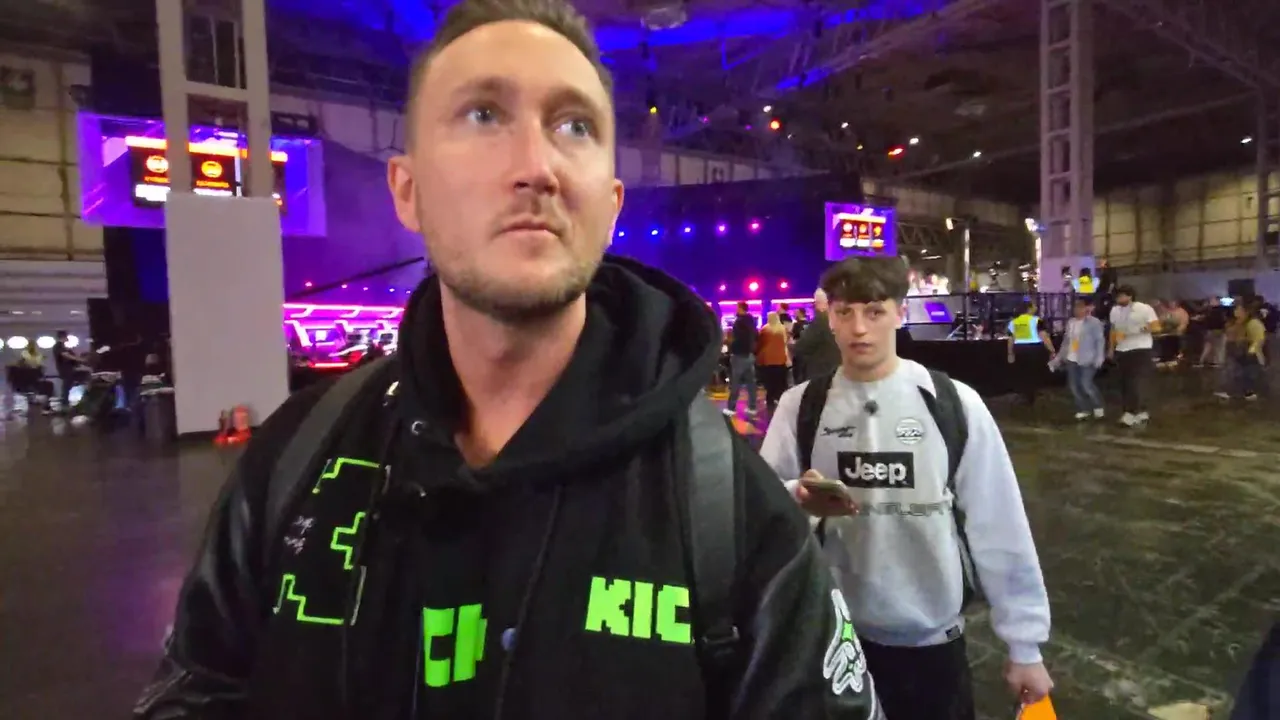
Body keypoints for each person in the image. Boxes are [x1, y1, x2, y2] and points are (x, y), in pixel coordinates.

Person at [134, 1, 883, 717]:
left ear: (611, 203)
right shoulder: (297, 459)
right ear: (407, 190)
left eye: (574, 126)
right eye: (484, 114)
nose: (536, 165)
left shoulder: (727, 506)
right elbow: (195, 691)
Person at [759, 257, 1053, 720]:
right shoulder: (801, 407)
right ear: (829, 317)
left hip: (932, 645)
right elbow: (760, 508)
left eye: (874, 311)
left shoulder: (951, 403)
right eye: (844, 312)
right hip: (836, 640)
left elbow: (998, 522)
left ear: (899, 313)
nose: (859, 328)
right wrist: (798, 495)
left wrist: (1025, 645)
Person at [1108, 285, 1160, 426]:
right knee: (1124, 383)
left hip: (1140, 349)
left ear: (1129, 296)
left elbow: (1156, 327)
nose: (1118, 299)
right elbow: (1113, 330)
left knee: (1136, 382)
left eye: (1121, 296)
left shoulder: (1144, 309)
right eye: (1117, 297)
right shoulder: (1115, 310)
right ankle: (1135, 410)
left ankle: (1132, 412)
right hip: (1122, 349)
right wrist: (1111, 348)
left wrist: (1138, 330)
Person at [1050, 296, 1105, 420]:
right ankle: (1083, 408)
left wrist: (1099, 357)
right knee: (1074, 386)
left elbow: (1099, 341)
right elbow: (1066, 342)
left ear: (1087, 308)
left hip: (1088, 358)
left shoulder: (1094, 322)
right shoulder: (1071, 322)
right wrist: (1058, 358)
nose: (1077, 309)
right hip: (1072, 357)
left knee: (1086, 384)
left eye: (1080, 306)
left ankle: (1098, 406)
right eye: (1075, 306)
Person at [1005, 302, 1054, 404]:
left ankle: (1025, 394)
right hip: (1034, 349)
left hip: (1019, 349)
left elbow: (1011, 339)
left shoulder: (1013, 322)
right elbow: (1043, 336)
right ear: (1029, 308)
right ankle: (1032, 394)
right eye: (1034, 306)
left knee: (1023, 372)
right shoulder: (1036, 320)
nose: (1036, 308)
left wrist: (1010, 353)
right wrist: (1051, 350)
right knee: (1034, 372)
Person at [795, 288, 841, 380]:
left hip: (821, 371)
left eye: (816, 303)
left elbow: (802, 346)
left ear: (821, 303)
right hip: (839, 368)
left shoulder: (821, 320)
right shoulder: (842, 318)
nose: (815, 306)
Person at [725, 300, 759, 416]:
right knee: (751, 383)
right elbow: (756, 336)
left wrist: (731, 347)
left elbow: (737, 339)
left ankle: (731, 408)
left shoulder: (739, 322)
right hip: (750, 355)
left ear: (740, 308)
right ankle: (752, 407)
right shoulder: (752, 321)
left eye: (737, 307)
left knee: (735, 382)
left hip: (739, 355)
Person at [755, 311, 790, 415]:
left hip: (768, 359)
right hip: (781, 358)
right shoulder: (783, 329)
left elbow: (760, 344)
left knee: (769, 381)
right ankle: (779, 398)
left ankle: (770, 400)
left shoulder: (765, 329)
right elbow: (786, 342)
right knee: (779, 381)